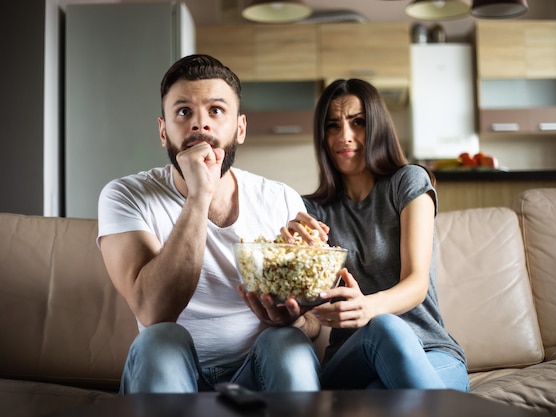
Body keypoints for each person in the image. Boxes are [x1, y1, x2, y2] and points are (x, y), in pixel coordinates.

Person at [97, 54, 321, 394]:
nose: (200, 125)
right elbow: (153, 310)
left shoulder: (281, 199)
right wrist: (199, 196)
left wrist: (298, 318)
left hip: (257, 367)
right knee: (160, 338)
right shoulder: (125, 195)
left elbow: (316, 325)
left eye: (216, 110)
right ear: (163, 130)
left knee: (287, 341)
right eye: (184, 111)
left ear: (240, 128)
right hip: (172, 368)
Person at [285, 78, 469, 391]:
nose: (345, 136)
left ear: (377, 127)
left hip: (431, 353)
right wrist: (291, 261)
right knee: (384, 328)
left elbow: (416, 283)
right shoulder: (311, 211)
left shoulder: (408, 182)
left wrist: (368, 307)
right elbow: (312, 309)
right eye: (333, 125)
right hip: (352, 357)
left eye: (358, 122)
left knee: (382, 391)